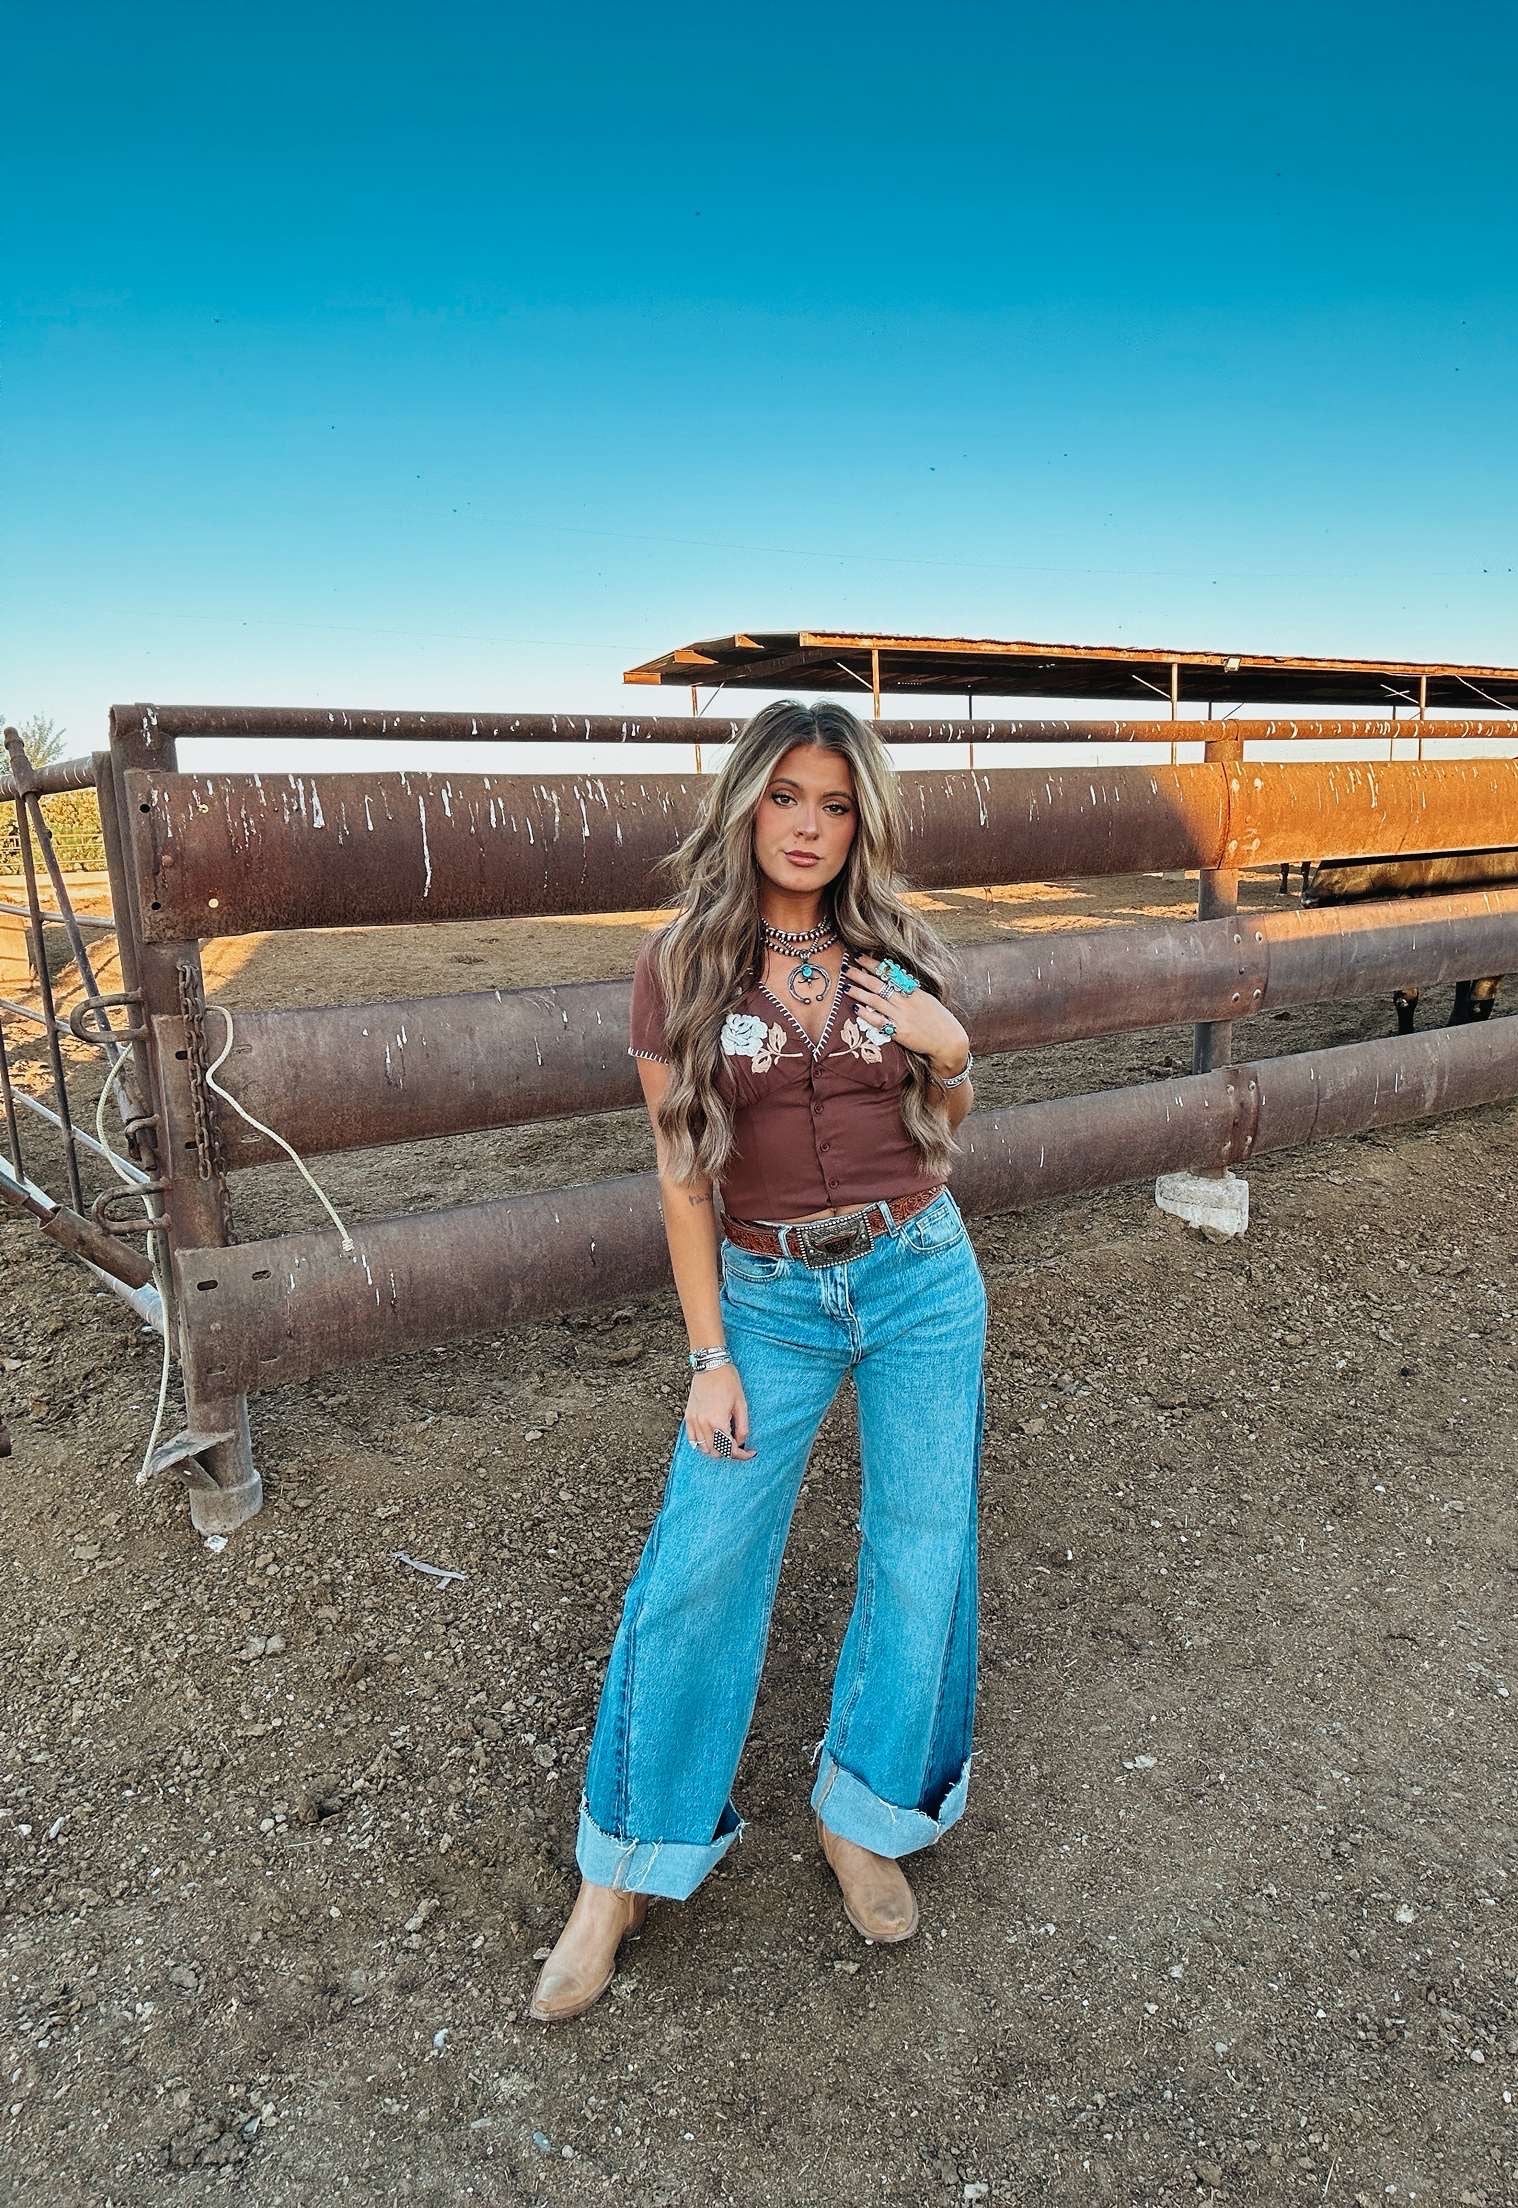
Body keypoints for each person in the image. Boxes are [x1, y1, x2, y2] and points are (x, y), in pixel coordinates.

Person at [527, 698, 987, 2023]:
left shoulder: (891, 949)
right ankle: (619, 1873)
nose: (810, 826)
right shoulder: (680, 964)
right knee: (700, 1561)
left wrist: (950, 1054)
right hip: (769, 1299)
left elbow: (938, 1125)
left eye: (836, 804)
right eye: (788, 796)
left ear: (864, 821)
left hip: (917, 1275)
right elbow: (682, 1176)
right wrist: (706, 1353)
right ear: (744, 805)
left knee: (923, 1546)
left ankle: (870, 1814)